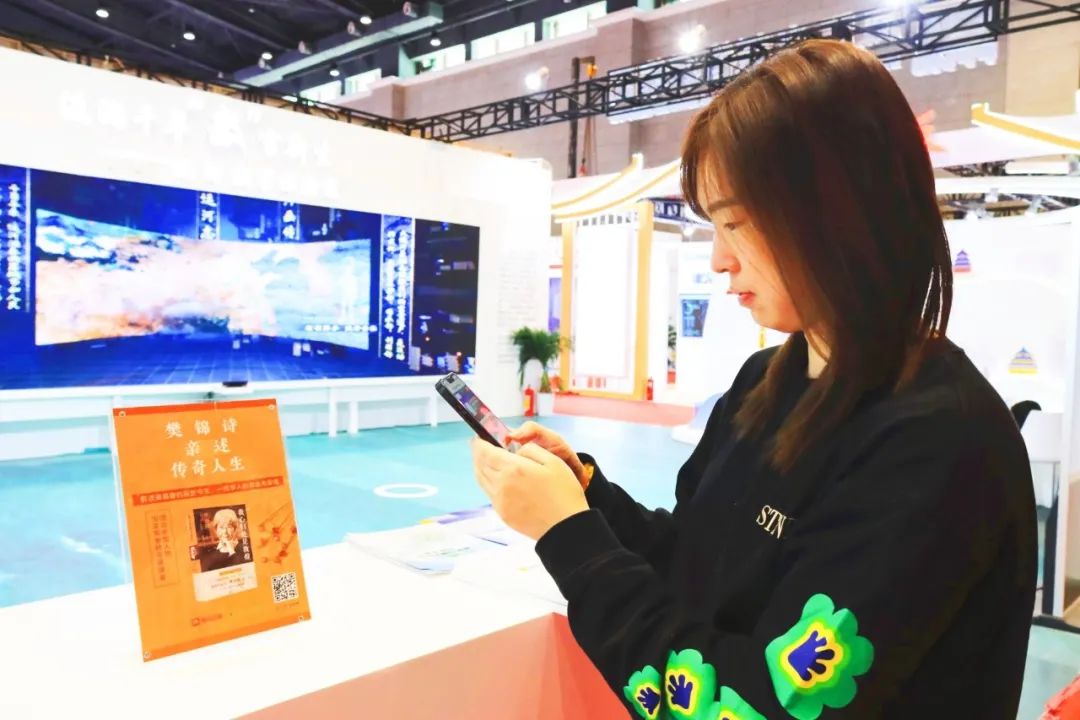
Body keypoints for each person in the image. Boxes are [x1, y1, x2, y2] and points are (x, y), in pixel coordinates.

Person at [470, 39, 1035, 719]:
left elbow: (752, 706)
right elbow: (697, 562)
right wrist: (587, 495)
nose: (719, 259)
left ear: (839, 211)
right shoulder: (765, 381)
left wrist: (568, 536)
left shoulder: (938, 440)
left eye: (735, 222)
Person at [198, 508, 250, 572]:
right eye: (221, 527)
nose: (225, 532)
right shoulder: (209, 555)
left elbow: (246, 571)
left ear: (235, 528)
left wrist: (231, 551)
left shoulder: (245, 549)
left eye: (229, 527)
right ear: (216, 530)